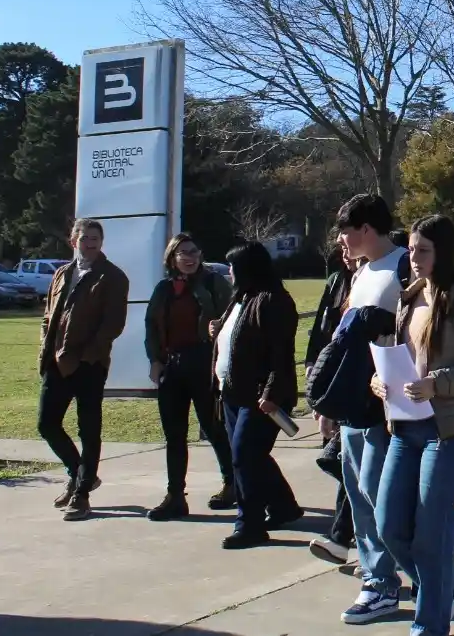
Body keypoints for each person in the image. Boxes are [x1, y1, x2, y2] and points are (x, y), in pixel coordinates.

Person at [372, 215, 454, 633]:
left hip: (449, 431)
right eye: (410, 250)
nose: (414, 258)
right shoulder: (408, 299)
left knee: (431, 534)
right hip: (404, 428)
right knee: (389, 526)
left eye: (423, 250)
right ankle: (448, 579)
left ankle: (429, 625)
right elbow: (404, 359)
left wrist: (436, 384)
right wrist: (382, 381)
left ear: (442, 252)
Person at [327, 193, 407, 621]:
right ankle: (377, 576)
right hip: (352, 400)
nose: (341, 237)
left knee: (382, 496)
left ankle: (387, 582)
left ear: (365, 229)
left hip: (386, 403)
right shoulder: (360, 274)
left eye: (345, 229)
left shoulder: (402, 267)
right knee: (359, 493)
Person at [38, 218, 129, 522]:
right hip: (56, 362)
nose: (89, 244)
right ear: (73, 240)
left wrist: (84, 356)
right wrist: (46, 348)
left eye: (95, 239)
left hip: (90, 364)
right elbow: (49, 316)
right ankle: (80, 474)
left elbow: (112, 325)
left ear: (101, 243)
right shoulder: (62, 273)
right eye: (84, 238)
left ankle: (82, 494)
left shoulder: (112, 277)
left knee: (88, 430)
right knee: (46, 424)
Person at [212, 241, 301, 550]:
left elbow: (281, 353)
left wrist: (272, 392)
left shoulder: (274, 300)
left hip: (260, 397)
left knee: (243, 456)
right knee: (252, 456)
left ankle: (249, 525)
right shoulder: (242, 297)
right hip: (233, 391)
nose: (229, 273)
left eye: (233, 267)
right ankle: (283, 507)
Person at [144, 233, 236, 521]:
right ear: (172, 257)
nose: (189, 257)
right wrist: (155, 361)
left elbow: (233, 317)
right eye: (182, 253)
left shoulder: (213, 282)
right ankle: (175, 496)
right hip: (173, 366)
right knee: (174, 434)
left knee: (213, 427)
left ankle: (233, 484)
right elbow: (151, 326)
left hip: (204, 363)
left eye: (194, 252)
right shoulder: (164, 289)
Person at [306, 244, 357, 564]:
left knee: (346, 462)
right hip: (333, 378)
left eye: (348, 242)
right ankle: (344, 535)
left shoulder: (378, 280)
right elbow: (323, 328)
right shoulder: (337, 281)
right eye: (340, 246)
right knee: (347, 464)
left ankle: (342, 535)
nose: (346, 251)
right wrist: (314, 362)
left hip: (354, 385)